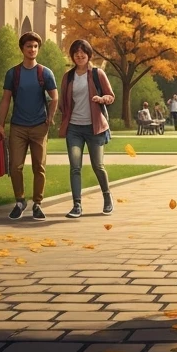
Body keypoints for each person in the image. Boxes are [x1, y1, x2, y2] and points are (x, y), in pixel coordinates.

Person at [0, 31, 59, 221]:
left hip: (39, 126)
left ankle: (37, 204)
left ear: (38, 49)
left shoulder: (45, 73)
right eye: (29, 46)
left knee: (39, 166)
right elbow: (5, 100)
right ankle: (20, 201)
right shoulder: (13, 73)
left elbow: (54, 96)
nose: (32, 49)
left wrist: (50, 117)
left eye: (35, 46)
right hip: (18, 127)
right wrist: (0, 124)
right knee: (15, 166)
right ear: (22, 49)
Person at [57, 39, 116, 218]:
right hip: (74, 128)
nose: (79, 55)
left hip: (95, 128)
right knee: (75, 167)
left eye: (83, 52)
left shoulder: (98, 74)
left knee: (98, 166)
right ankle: (77, 206)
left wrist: (101, 99)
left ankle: (107, 198)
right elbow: (63, 103)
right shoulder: (68, 77)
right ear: (72, 56)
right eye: (76, 53)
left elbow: (111, 96)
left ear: (88, 54)